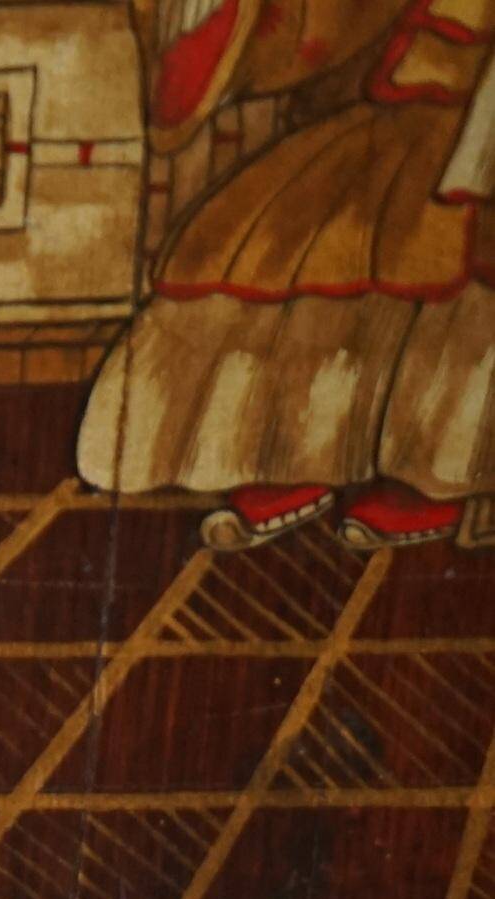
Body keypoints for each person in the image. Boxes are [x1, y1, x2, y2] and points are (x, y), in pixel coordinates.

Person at [77, 0, 495, 549]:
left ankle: (444, 476)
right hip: (409, 94)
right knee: (284, 238)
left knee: (459, 265)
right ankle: (294, 451)